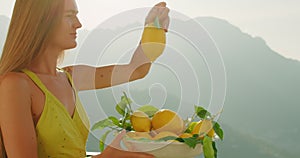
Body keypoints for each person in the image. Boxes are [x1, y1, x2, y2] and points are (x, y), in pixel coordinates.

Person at [0, 0, 169, 157]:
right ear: (41, 21)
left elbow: (136, 70)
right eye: (69, 16)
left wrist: (152, 27)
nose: (78, 24)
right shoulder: (15, 85)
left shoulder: (71, 77)